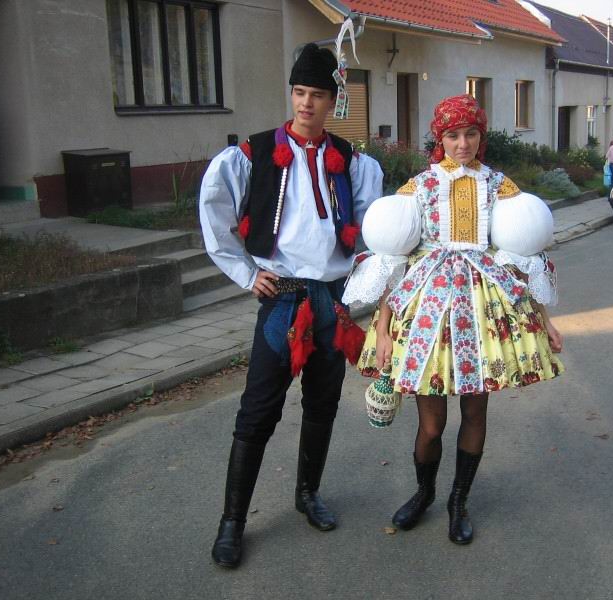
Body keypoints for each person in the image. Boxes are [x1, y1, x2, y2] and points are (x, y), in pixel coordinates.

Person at [343, 94, 564, 545]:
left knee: (475, 412)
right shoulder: (419, 187)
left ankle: (458, 501)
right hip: (426, 308)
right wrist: (382, 329)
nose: (462, 144)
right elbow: (392, 259)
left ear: (481, 136)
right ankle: (424, 492)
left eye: (470, 134)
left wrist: (544, 319)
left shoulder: (500, 186)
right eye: (453, 135)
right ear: (439, 138)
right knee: (431, 424)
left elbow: (522, 255)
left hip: (484, 311)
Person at [199, 41, 383, 568]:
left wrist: (364, 281)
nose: (306, 103)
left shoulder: (354, 163)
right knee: (257, 411)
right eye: (299, 92)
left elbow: (372, 231)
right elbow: (214, 213)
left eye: (317, 95)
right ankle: (232, 522)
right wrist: (245, 272)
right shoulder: (252, 154)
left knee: (323, 405)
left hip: (332, 301)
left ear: (332, 101)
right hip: (281, 299)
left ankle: (307, 494)